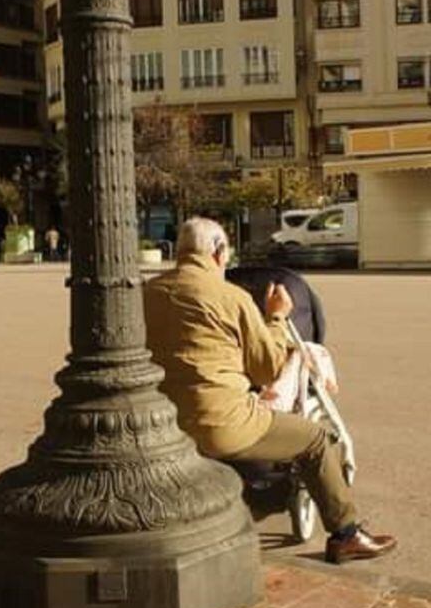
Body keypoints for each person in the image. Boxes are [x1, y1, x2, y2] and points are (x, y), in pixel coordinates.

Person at [143, 217, 396, 564]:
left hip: (162, 423)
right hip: (219, 425)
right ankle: (346, 535)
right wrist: (276, 317)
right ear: (218, 253)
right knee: (317, 440)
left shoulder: (147, 292)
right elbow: (266, 368)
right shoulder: (231, 297)